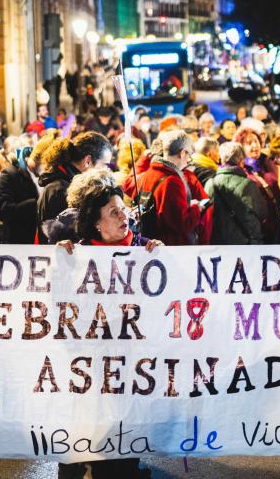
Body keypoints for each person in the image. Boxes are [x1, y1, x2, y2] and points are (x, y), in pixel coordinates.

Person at [55, 169, 161, 479]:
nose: (122, 215)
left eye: (123, 209)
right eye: (113, 212)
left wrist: (163, 260)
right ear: (97, 224)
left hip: (131, 361)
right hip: (91, 362)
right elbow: (59, 307)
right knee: (89, 429)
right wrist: (59, 265)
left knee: (125, 432)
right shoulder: (77, 253)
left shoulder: (145, 249)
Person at [36, 132, 113, 243]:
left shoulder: (66, 184)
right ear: (88, 161)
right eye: (105, 165)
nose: (107, 170)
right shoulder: (61, 190)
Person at [134, 130, 204, 245]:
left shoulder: (149, 173)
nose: (188, 160)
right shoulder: (172, 181)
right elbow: (182, 224)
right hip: (171, 248)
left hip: (152, 242)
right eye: (189, 155)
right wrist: (196, 207)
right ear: (182, 153)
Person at [0, 135, 53, 244]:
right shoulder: (8, 174)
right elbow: (3, 208)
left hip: (38, 235)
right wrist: (35, 204)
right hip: (19, 238)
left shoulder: (37, 172)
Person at [206, 142, 266, 244]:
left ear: (222, 159)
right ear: (242, 161)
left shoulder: (210, 183)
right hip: (245, 242)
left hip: (218, 242)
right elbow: (262, 212)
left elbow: (207, 215)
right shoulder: (248, 184)